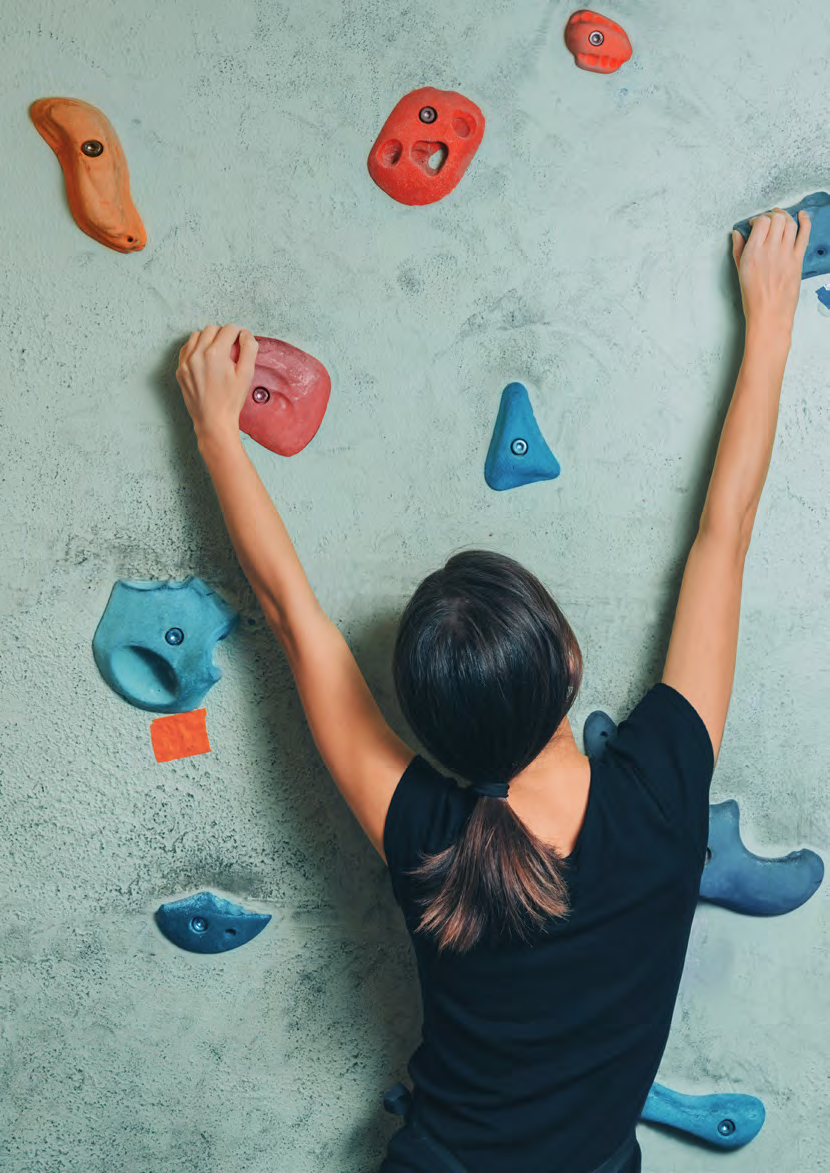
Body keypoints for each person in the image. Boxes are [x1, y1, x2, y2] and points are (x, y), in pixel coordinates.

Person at [175, 206, 810, 1173]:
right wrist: (771, 322)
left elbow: (290, 616)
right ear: (568, 662)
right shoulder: (660, 788)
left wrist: (216, 430)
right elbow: (726, 536)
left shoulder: (424, 831)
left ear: (427, 730)